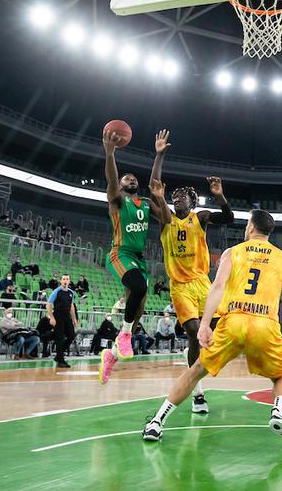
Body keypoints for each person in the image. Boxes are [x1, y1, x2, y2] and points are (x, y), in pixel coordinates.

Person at [142, 210, 282, 447]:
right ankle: (279, 414)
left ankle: (156, 422)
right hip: (265, 324)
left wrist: (204, 325)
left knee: (196, 370)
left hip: (232, 321)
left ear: (251, 227)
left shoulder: (233, 252)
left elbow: (218, 287)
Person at [129, 174, 232, 413]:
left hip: (202, 283)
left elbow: (228, 217)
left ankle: (192, 354)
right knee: (195, 333)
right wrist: (154, 194)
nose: (177, 200)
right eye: (174, 197)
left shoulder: (201, 218)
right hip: (180, 286)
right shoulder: (165, 220)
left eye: (181, 197)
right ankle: (198, 394)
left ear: (192, 202)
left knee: (219, 333)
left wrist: (219, 195)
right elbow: (149, 196)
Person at [96, 128, 167, 380]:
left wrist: (158, 157)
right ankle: (125, 335)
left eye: (132, 178)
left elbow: (164, 211)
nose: (130, 179)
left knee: (138, 309)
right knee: (137, 288)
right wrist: (110, 155)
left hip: (139, 258)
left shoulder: (146, 204)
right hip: (120, 253)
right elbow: (112, 180)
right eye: (126, 178)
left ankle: (112, 353)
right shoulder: (116, 200)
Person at [47, 274, 79, 368]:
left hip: (67, 317)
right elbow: (48, 305)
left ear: (69, 281)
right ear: (61, 281)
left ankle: (58, 355)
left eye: (67, 279)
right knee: (59, 338)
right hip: (58, 317)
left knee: (71, 335)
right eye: (64, 279)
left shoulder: (71, 292)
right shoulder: (56, 291)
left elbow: (72, 307)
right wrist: (52, 318)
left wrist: (74, 319)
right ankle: (60, 360)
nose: (65, 280)